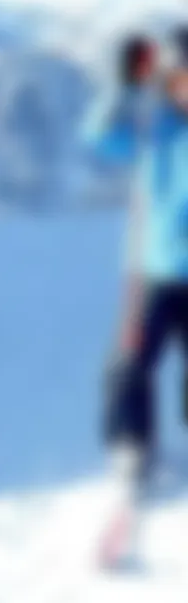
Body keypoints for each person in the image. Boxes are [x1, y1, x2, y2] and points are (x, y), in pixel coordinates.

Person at [85, 30, 188, 485]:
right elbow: (100, 139)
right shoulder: (154, 128)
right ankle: (134, 450)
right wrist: (125, 88)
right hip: (155, 269)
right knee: (134, 364)